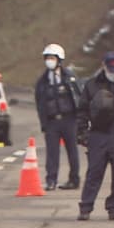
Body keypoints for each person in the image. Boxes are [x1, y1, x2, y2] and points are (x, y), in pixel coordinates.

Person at [76, 51, 114, 221]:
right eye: (112, 69)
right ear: (104, 66)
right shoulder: (92, 86)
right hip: (99, 135)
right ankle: (86, 207)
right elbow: (82, 110)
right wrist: (82, 132)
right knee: (94, 172)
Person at [35, 44, 81, 191]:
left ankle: (74, 179)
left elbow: (78, 97)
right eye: (47, 58)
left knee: (72, 151)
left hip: (69, 120)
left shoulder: (69, 77)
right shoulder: (42, 81)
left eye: (52, 58)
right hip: (52, 121)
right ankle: (51, 180)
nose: (49, 61)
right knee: (52, 153)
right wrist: (44, 123)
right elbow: (39, 103)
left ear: (59, 60)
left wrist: (80, 119)